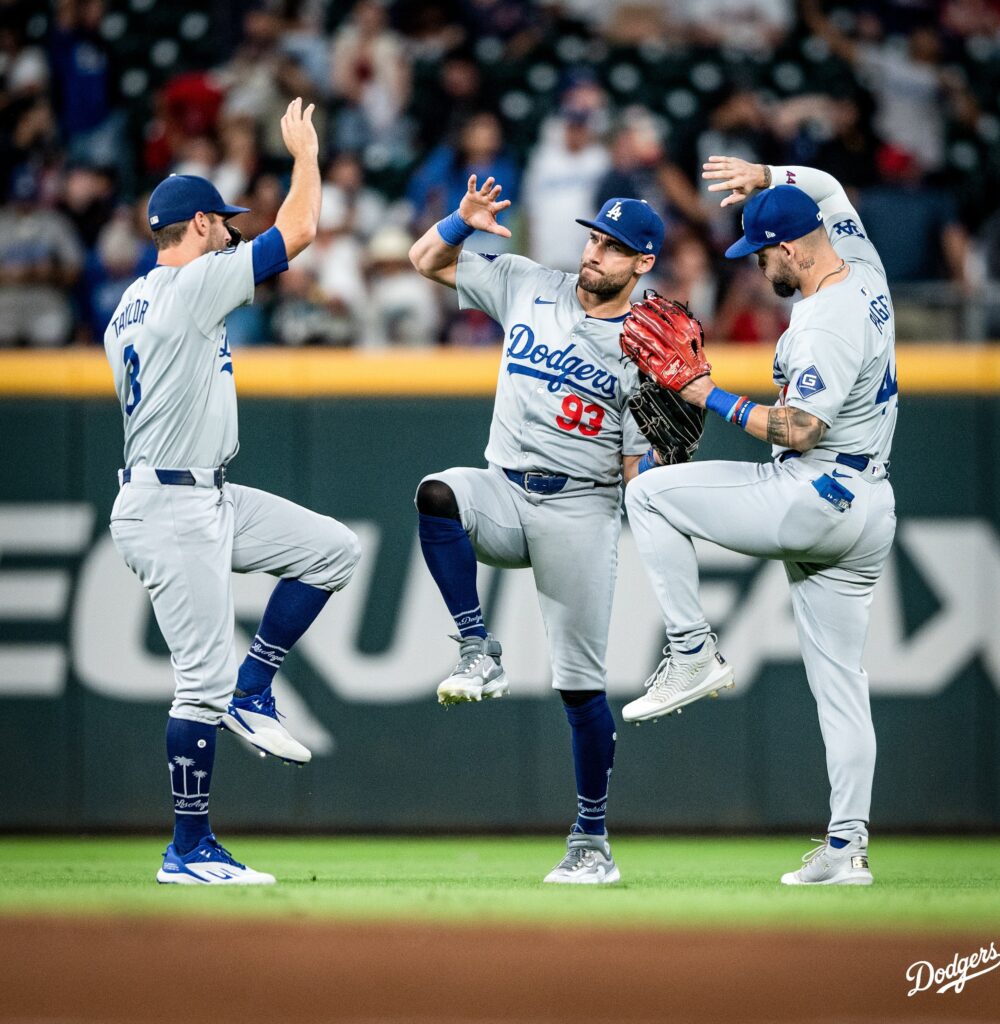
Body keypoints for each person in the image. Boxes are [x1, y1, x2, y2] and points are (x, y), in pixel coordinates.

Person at [103, 99, 361, 885]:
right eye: (222, 219)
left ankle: (257, 687)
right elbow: (302, 230)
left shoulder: (130, 303)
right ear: (200, 226)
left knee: (332, 551)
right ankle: (188, 847)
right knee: (197, 683)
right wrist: (306, 155)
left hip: (205, 493)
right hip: (171, 505)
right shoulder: (189, 289)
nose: (230, 227)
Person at [623, 156, 898, 886]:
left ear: (794, 248)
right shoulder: (860, 263)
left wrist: (707, 391)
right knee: (841, 684)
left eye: (763, 254)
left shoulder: (827, 322)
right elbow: (832, 188)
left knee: (650, 496)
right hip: (869, 505)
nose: (757, 268)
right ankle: (847, 849)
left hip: (816, 491)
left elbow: (801, 426)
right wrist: (770, 172)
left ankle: (692, 651)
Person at [408, 180, 660, 883]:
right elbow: (423, 260)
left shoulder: (647, 343)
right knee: (437, 494)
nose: (597, 253)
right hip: (505, 488)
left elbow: (638, 466)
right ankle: (474, 648)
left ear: (642, 265)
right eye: (595, 239)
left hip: (581, 509)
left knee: (580, 688)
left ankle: (591, 837)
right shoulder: (528, 282)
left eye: (616, 249)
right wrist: (460, 221)